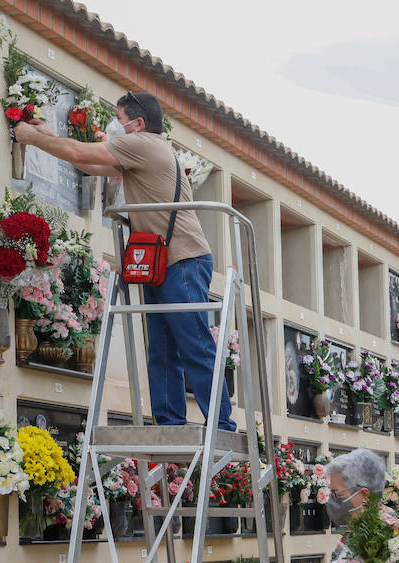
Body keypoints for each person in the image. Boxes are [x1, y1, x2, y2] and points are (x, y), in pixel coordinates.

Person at [14, 91, 234, 432]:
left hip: (184, 260)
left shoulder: (144, 144)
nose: (114, 126)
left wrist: (31, 138)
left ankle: (221, 425)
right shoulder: (149, 149)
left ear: (139, 123)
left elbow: (78, 151)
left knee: (194, 344)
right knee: (162, 349)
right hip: (165, 263)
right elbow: (87, 163)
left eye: (119, 119)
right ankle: (170, 424)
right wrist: (43, 136)